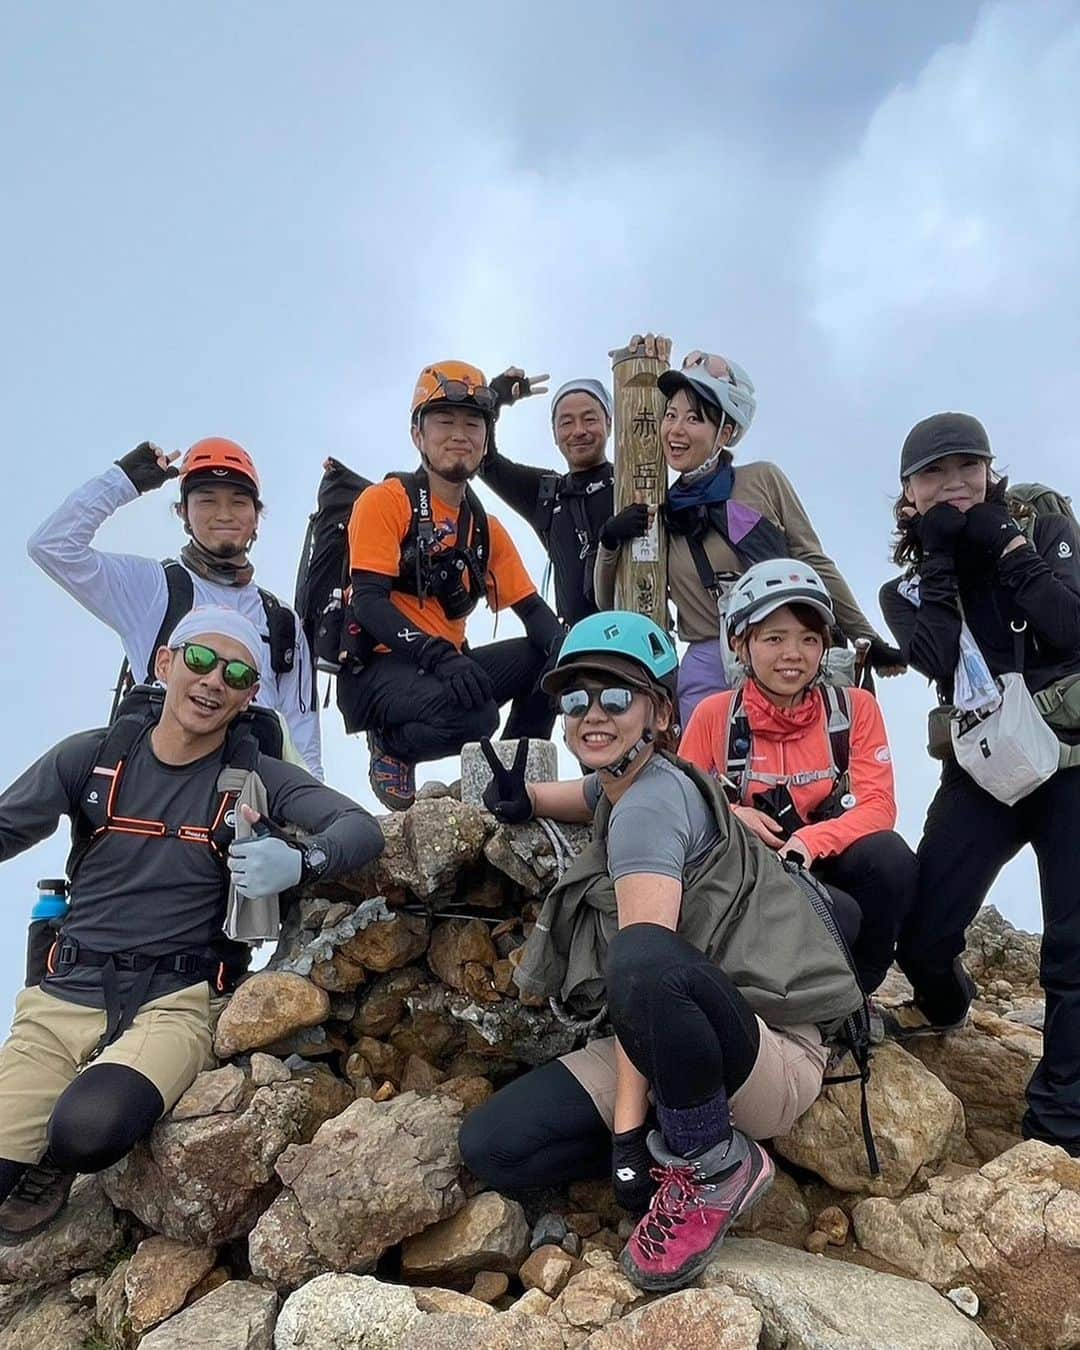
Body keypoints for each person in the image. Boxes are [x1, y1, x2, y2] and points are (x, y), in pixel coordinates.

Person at [460, 610, 864, 1292]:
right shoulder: (633, 780)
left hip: (765, 1053)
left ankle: (711, 1161)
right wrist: (523, 796)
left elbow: (641, 976)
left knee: (642, 957)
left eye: (617, 698)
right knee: (493, 1145)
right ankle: (673, 1141)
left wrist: (622, 1140)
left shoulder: (650, 805)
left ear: (661, 716)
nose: (594, 713)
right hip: (685, 1032)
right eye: (577, 699)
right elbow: (589, 792)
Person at [0, 606, 383, 1241]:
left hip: (177, 1003)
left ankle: (59, 1159)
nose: (213, 682)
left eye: (235, 674)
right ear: (165, 665)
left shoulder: (258, 774)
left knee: (87, 1129)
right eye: (200, 661)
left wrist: (300, 860)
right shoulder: (93, 758)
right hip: (61, 999)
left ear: (250, 695)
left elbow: (358, 828)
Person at [879, 412, 1080, 1156]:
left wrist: (1004, 542)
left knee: (1072, 946)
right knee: (924, 931)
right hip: (985, 769)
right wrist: (939, 561)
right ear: (908, 494)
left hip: (1070, 757)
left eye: (967, 465)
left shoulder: (1047, 522)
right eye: (934, 473)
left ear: (991, 469)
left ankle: (1059, 1127)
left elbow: (1069, 627)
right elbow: (934, 657)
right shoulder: (902, 586)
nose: (954, 482)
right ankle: (947, 1005)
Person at [594, 345, 903, 723]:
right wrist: (609, 542)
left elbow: (812, 561)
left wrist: (865, 636)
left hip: (782, 651)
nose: (676, 429)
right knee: (705, 777)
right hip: (707, 666)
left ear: (726, 430)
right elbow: (610, 600)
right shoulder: (660, 511)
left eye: (694, 419)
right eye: (670, 415)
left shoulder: (760, 481)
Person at [680, 559, 917, 995]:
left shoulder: (853, 709)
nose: (794, 654)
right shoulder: (714, 716)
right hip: (760, 872)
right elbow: (682, 803)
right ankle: (796, 993)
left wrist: (810, 842)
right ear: (740, 643)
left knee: (892, 859)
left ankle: (857, 993)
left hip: (824, 857)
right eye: (774, 638)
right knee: (838, 916)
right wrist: (734, 815)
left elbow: (879, 808)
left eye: (809, 639)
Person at [337, 361, 564, 811]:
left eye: (472, 423)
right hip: (380, 669)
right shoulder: (385, 502)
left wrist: (578, 658)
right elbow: (367, 603)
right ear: (418, 435)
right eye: (444, 421)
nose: (459, 433)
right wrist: (438, 656)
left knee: (549, 662)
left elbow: (535, 614)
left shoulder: (484, 527)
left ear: (485, 440)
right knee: (476, 716)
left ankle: (512, 771)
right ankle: (391, 745)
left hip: (445, 668)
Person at [27, 437, 322, 778]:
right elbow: (52, 547)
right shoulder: (152, 587)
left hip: (252, 800)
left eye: (239, 502)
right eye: (207, 501)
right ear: (183, 512)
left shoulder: (281, 620)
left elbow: (302, 736)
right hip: (159, 790)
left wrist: (311, 812)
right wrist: (124, 482)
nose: (223, 514)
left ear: (257, 516)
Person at [479, 367, 614, 627]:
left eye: (590, 419)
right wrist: (492, 401)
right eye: (566, 422)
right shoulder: (547, 493)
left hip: (639, 639)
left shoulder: (633, 483)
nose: (579, 431)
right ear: (554, 433)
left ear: (608, 423)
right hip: (576, 645)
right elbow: (485, 462)